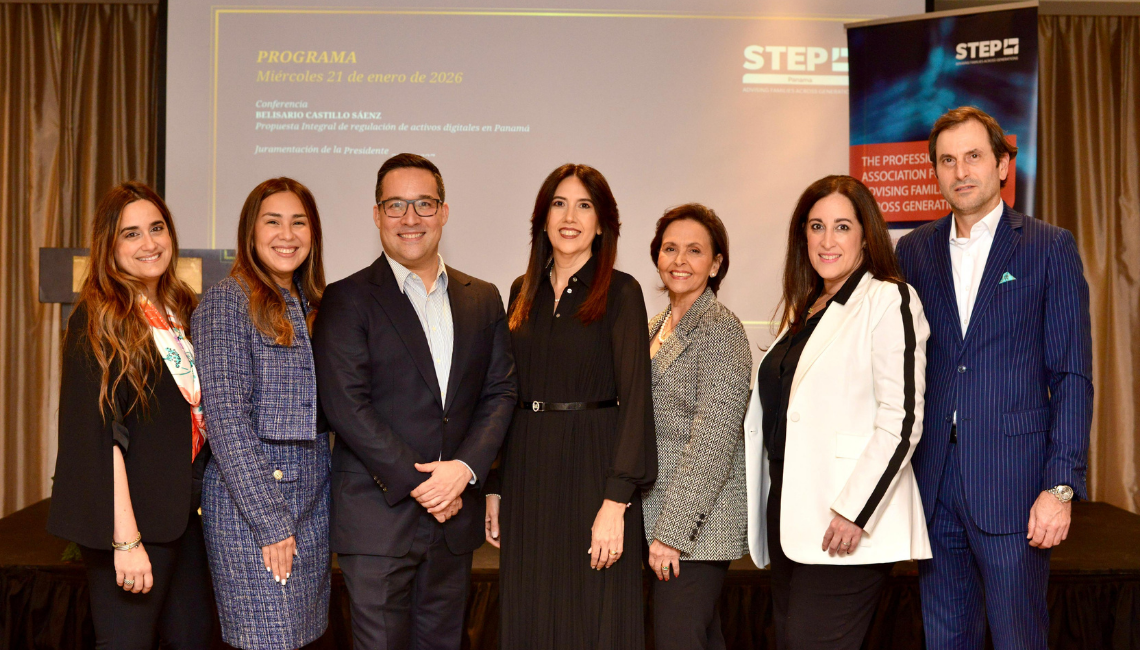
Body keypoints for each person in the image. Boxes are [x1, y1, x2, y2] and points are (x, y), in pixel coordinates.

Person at [896, 106, 1093, 649]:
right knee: (945, 639)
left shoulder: (1049, 246)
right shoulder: (913, 251)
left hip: (1015, 488)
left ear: (1003, 165)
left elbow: (1072, 375)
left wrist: (1060, 486)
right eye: (947, 160)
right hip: (933, 486)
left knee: (1018, 639)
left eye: (974, 156)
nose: (961, 171)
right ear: (935, 172)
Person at [312, 153, 516, 650]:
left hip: (454, 521)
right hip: (379, 520)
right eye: (396, 205)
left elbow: (500, 391)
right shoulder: (346, 298)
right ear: (377, 214)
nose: (410, 218)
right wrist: (427, 485)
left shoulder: (482, 297)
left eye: (423, 204)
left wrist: (464, 469)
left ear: (444, 212)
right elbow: (346, 405)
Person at [743, 175, 931, 648]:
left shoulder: (888, 298)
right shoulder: (806, 307)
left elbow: (902, 420)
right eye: (816, 226)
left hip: (843, 521)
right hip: (790, 514)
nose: (827, 240)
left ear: (866, 236)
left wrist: (854, 512)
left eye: (842, 227)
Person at [483, 163, 657, 650]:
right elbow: (505, 394)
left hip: (593, 472)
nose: (570, 217)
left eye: (584, 206)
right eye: (559, 204)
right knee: (532, 612)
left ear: (602, 224)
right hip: (528, 473)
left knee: (593, 617)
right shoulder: (521, 291)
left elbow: (636, 401)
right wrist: (495, 485)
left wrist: (616, 502)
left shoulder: (622, 291)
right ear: (543, 218)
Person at [47, 181, 212, 649]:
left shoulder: (183, 308)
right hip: (132, 520)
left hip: (187, 514)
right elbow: (98, 437)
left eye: (157, 228)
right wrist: (126, 539)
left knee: (195, 638)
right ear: (110, 245)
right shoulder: (97, 318)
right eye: (131, 233)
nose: (149, 243)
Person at [191, 178, 331, 649]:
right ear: (250, 232)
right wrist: (271, 522)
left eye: (299, 222)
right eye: (273, 222)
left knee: (301, 637)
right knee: (265, 639)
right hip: (254, 506)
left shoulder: (312, 303)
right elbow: (226, 421)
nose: (287, 235)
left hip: (312, 500)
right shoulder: (226, 301)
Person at [642, 204, 751, 650]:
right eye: (670, 248)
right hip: (656, 518)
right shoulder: (655, 326)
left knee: (678, 638)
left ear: (716, 263)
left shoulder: (721, 329)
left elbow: (713, 443)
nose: (680, 260)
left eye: (694, 250)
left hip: (695, 532)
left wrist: (672, 534)